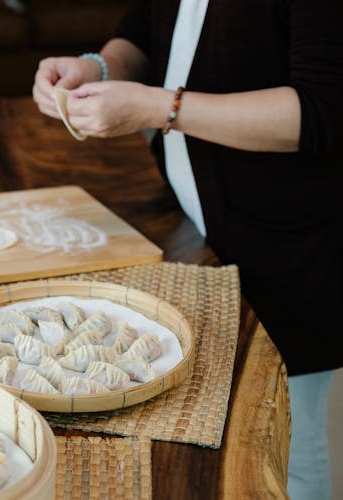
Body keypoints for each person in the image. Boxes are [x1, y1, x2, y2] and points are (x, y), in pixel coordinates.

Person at [33, 2, 343, 499]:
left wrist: (156, 108)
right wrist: (99, 66)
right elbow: (145, 27)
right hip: (198, 225)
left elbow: (320, 110)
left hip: (292, 249)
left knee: (281, 447)